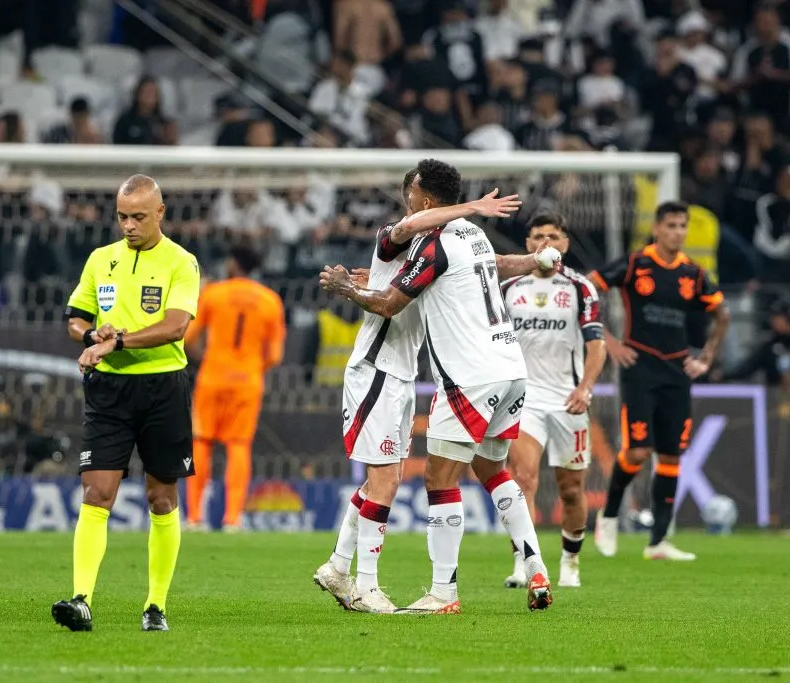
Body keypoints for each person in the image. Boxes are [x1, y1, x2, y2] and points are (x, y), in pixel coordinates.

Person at [317, 159, 558, 614]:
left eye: (410, 194)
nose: (405, 204)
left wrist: (347, 288)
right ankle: (534, 564)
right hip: (511, 367)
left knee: (436, 479)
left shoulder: (434, 243)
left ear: (425, 199)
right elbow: (490, 262)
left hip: (467, 375)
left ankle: (441, 592)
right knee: (489, 470)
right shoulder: (472, 234)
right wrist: (533, 260)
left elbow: (389, 301)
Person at [52, 174, 200, 632]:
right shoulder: (101, 260)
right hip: (109, 391)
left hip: (162, 388)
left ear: (161, 212)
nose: (129, 225)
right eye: (122, 217)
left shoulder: (181, 262)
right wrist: (90, 335)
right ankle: (81, 600)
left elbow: (176, 327)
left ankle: (155, 605)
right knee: (97, 493)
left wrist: (117, 343)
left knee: (161, 498)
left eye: (138, 216)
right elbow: (76, 319)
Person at [590, 201, 730, 561]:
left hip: (678, 370)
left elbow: (722, 313)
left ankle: (658, 541)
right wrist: (609, 340)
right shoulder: (637, 264)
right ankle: (608, 518)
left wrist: (707, 356)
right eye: (671, 225)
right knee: (637, 451)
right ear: (657, 228)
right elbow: (588, 288)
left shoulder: (692, 273)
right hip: (639, 367)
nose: (678, 232)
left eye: (682, 225)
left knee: (671, 455)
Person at [500, 214, 607, 589]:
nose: (546, 241)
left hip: (568, 400)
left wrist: (585, 388)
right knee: (522, 478)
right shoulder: (509, 287)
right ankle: (525, 561)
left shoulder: (580, 288)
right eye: (538, 236)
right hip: (523, 397)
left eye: (553, 236)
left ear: (565, 243)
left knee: (571, 489)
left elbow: (597, 345)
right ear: (528, 244)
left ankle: (571, 560)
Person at [183, 246, 286, 532]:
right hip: (247, 381)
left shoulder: (214, 293)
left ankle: (194, 518)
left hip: (213, 377)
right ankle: (232, 518)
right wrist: (252, 366)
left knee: (201, 442)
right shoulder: (270, 300)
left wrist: (205, 356)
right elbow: (275, 355)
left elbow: (189, 337)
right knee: (239, 445)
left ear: (233, 263)